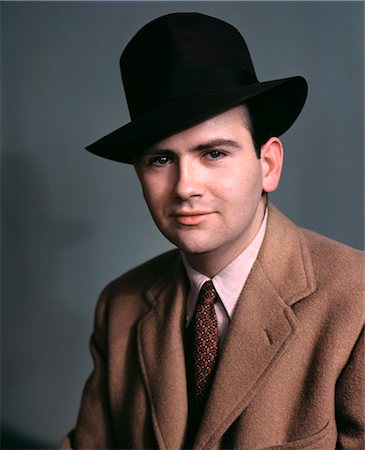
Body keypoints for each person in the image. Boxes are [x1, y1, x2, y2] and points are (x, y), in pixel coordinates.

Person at [60, 12, 364, 450]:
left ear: (268, 164)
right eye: (161, 160)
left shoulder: (356, 301)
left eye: (214, 153)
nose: (185, 187)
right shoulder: (120, 305)